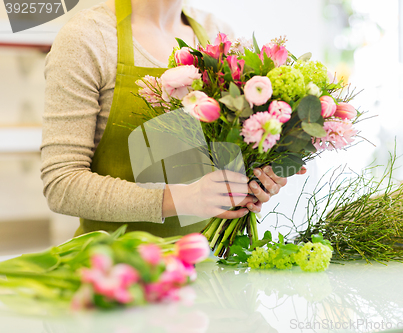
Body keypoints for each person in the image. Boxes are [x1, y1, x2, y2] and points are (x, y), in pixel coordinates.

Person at [41, 0, 305, 238]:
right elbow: (62, 184)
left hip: (209, 264)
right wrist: (181, 199)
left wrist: (254, 181)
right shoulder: (88, 38)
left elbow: (228, 159)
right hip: (117, 269)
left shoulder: (219, 35)